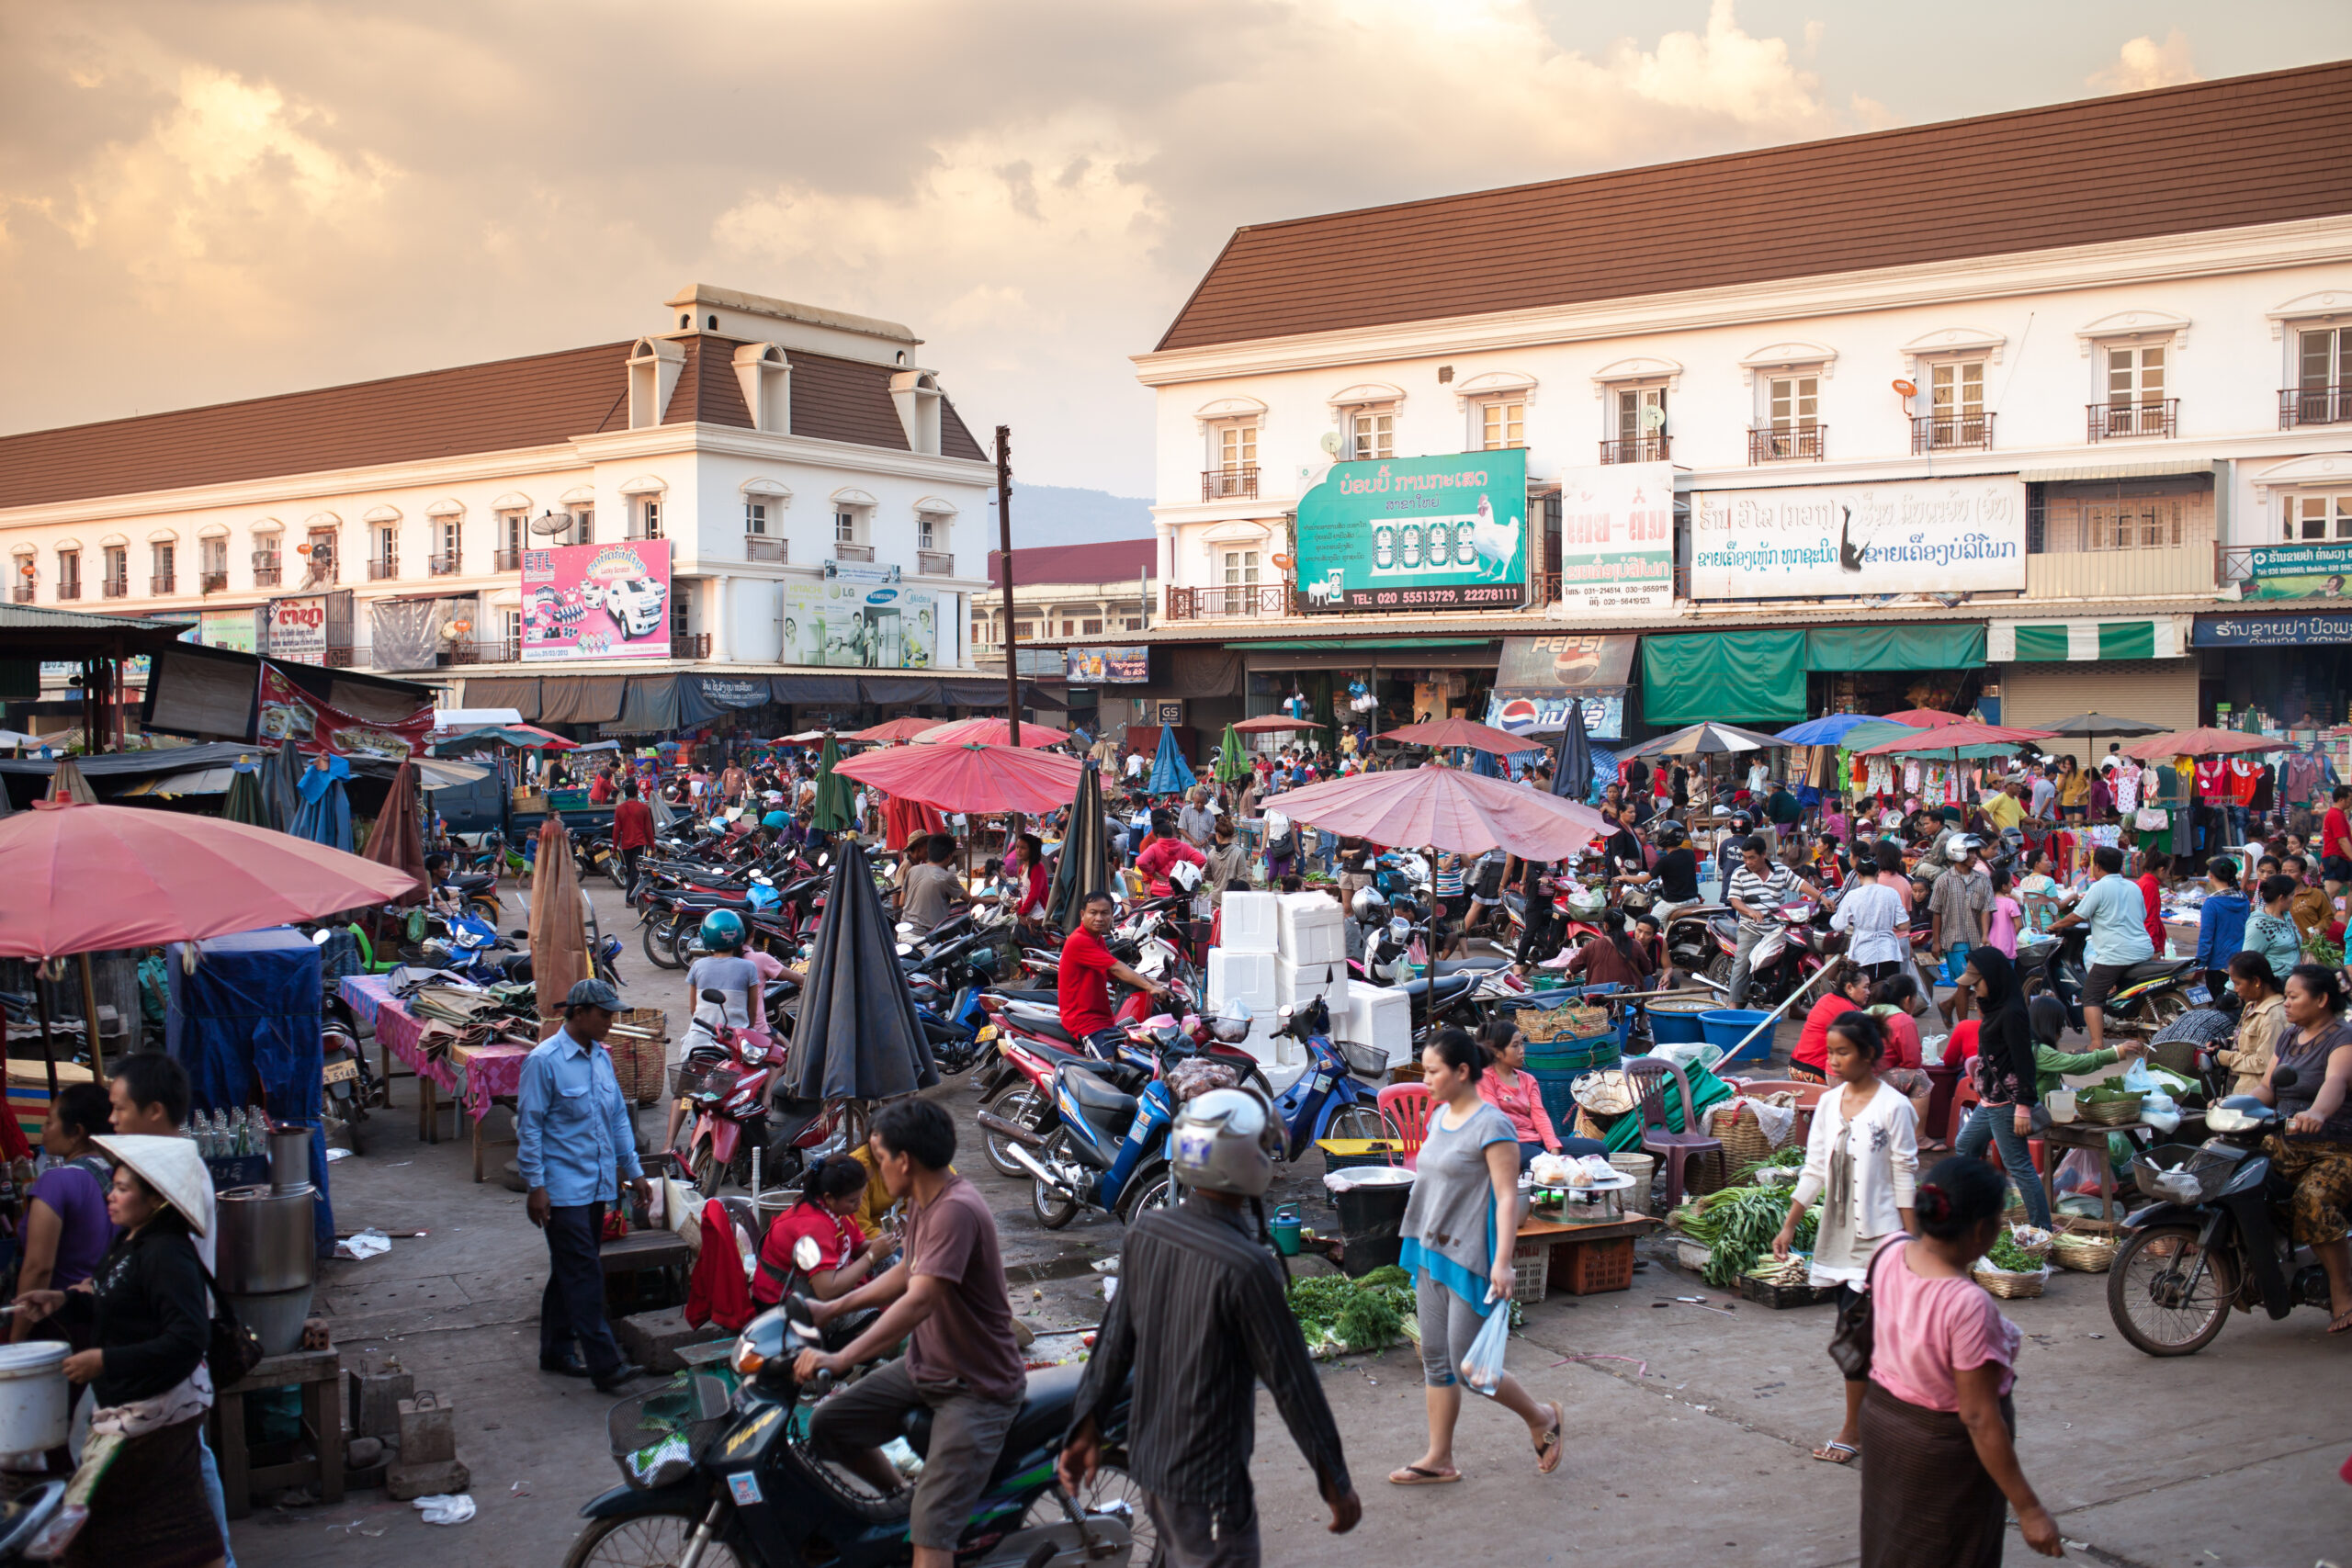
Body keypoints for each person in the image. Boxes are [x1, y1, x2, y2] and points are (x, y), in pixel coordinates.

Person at [1061, 1088, 1359, 1566]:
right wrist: (1335, 1480)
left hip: (1151, 1464)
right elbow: (1293, 1384)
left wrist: (1084, 1429)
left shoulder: (1146, 1233)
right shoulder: (1247, 1266)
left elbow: (1114, 1344)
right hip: (1209, 1483)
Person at [800, 1100, 1027, 1568]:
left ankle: (921, 1520)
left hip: (975, 1385)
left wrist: (840, 1359)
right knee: (830, 1426)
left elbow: (920, 1298)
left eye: (880, 1159)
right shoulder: (924, 1201)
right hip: (930, 1363)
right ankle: (901, 1501)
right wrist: (832, 1307)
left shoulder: (955, 1210)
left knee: (932, 1531)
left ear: (904, 1161)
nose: (877, 1170)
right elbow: (906, 1270)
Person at [14, 1135, 223, 1568]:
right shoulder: (131, 1241)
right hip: (137, 1405)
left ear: (156, 1200)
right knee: (174, 1525)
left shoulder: (167, 1253)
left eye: (123, 1189)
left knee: (92, 1515)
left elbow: (187, 1337)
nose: (111, 1195)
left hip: (159, 1410)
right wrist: (65, 1301)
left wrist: (104, 1361)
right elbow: (121, 1302)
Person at [1856, 1156, 2064, 1564]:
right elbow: (1979, 1417)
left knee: (1894, 1545)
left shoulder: (1890, 1251)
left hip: (1884, 1426)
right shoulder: (1966, 1304)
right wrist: (2029, 1508)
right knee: (1951, 1548)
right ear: (1983, 1230)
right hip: (1940, 1449)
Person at [1391, 1028, 1562, 1485]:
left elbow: (1508, 1198)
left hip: (1471, 1255)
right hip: (1429, 1248)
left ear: (1462, 1071)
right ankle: (1439, 1459)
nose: (1425, 1079)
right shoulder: (1438, 1118)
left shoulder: (1493, 1125)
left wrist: (1503, 1262)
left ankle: (1542, 1416)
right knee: (1435, 1358)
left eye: (1432, 1071)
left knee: (1471, 1367)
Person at [1772, 1010, 1918, 1468]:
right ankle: (1874, 1421)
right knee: (1859, 1334)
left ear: (1870, 1055)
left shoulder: (1895, 1107)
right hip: (1838, 1238)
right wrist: (1791, 1222)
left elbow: (1904, 1175)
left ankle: (1857, 1428)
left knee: (1864, 1335)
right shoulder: (1830, 1103)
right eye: (1830, 1051)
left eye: (1843, 1052)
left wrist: (1912, 1244)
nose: (1832, 1060)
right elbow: (1814, 1168)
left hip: (1882, 1241)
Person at [517, 978, 649, 1392]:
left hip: (596, 1186)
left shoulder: (600, 1058)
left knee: (570, 1269)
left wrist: (633, 1169)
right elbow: (530, 1128)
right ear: (578, 1013)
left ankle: (555, 1350)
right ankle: (605, 1365)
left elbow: (616, 1119)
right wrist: (536, 1186)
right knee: (586, 1275)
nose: (611, 1022)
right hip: (561, 1190)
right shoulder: (544, 1061)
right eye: (605, 1014)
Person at [2247, 964, 2352, 1333]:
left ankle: (2342, 1292)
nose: (2286, 1003)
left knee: (2312, 1199)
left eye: (2293, 997)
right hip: (2287, 1140)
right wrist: (2234, 1107)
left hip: (2337, 1147)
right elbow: (2266, 1089)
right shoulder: (2289, 1037)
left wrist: (2317, 1113)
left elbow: (2335, 1081)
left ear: (2322, 1000)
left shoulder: (2343, 1038)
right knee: (2232, 1173)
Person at [1951, 950, 2050, 1229]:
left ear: (1993, 979)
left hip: (2007, 1101)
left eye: (1977, 982)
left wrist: (2023, 1106)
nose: (1973, 988)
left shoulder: (2011, 1013)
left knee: (2018, 1166)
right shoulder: (1995, 1008)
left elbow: (2024, 1061)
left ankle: (2041, 1232)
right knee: (1966, 1145)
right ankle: (1977, 1213)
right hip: (1990, 1099)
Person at [12, 1083, 117, 1344]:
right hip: (106, 1320)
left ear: (77, 1132)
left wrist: (16, 1341)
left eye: (49, 1123)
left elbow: (38, 1268)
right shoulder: (122, 1177)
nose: (42, 1131)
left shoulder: (56, 1182)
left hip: (59, 1325)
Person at [2048, 845, 2153, 1055]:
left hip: (2117, 953)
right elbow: (2141, 916)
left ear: (2097, 866)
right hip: (2143, 949)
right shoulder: (2133, 887)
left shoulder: (2099, 888)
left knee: (2091, 996)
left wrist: (2055, 925)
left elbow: (2078, 915)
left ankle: (2096, 1044)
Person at [752, 1153, 887, 1307]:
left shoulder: (839, 1210)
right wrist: (871, 1256)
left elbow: (854, 1247)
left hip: (817, 1284)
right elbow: (826, 1290)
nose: (858, 1205)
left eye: (861, 1197)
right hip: (782, 1301)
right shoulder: (814, 1226)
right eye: (853, 1200)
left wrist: (881, 1244)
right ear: (829, 1197)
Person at [1475, 1020, 1604, 1168]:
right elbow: (1495, 1121)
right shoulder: (1485, 1079)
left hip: (1537, 1142)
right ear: (1497, 1052)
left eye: (1521, 1044)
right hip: (1509, 1145)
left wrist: (1553, 1147)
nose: (1522, 1050)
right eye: (1515, 1046)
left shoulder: (1528, 1080)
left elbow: (1539, 1115)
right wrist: (1549, 1158)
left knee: (1598, 1150)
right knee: (1546, 1163)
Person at [1059, 890, 1171, 1056]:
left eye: (1104, 913)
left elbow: (1114, 972)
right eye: (1093, 912)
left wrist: (1156, 984)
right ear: (1082, 915)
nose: (1099, 918)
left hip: (1103, 1019)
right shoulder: (1079, 940)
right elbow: (1116, 967)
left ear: (1112, 915)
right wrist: (1150, 987)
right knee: (1107, 1069)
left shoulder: (1098, 940)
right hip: (1085, 1022)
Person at [1726, 836, 1809, 1010]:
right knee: (1742, 965)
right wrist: (1750, 911)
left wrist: (1822, 898)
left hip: (1777, 929)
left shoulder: (1780, 870)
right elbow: (1735, 900)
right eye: (1745, 857)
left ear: (1764, 854)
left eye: (1752, 857)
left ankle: (1794, 1007)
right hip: (1751, 928)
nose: (1748, 861)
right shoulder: (1740, 873)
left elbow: (1801, 884)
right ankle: (1732, 1007)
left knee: (1791, 961)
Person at [1791, 960, 1872, 1086]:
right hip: (1816, 1073)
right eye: (1865, 987)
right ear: (1850, 987)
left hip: (1794, 1068)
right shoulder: (1851, 1010)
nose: (1868, 993)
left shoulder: (1826, 998)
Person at [2217, 952, 2287, 1096]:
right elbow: (2248, 1044)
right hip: (2239, 1088)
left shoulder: (2273, 1016)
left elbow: (2264, 1063)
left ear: (2256, 981)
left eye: (2238, 983)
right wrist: (2224, 1044)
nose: (2235, 989)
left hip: (2255, 1095)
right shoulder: (2252, 1005)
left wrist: (2224, 1058)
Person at [1831, 866, 1907, 982]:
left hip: (1863, 953)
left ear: (1858, 875)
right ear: (1878, 873)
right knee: (1890, 993)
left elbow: (1838, 925)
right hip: (1889, 951)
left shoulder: (1852, 896)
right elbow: (1903, 925)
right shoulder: (1891, 893)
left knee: (1866, 994)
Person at [1555, 908, 1654, 992]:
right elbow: (1648, 970)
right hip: (1628, 999)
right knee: (1649, 980)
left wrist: (1570, 972)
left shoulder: (1593, 945)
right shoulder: (1636, 945)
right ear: (1623, 924)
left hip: (1597, 1001)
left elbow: (1573, 967)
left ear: (1605, 925)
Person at [2195, 856, 2250, 997]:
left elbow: (2206, 938)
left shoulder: (2212, 903)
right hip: (2240, 961)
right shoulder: (2243, 899)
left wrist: (2200, 964)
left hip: (2218, 964)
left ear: (2210, 876)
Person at [2242, 873, 2303, 984]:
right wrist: (2231, 991)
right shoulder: (2259, 925)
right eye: (2291, 895)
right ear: (2281, 898)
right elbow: (2247, 959)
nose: (2293, 898)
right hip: (2275, 984)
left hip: (2293, 980)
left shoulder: (2286, 915)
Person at [612, 781, 656, 894]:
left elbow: (616, 830)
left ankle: (632, 897)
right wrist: (653, 846)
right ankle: (630, 899)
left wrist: (614, 847)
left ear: (625, 794)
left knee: (631, 871)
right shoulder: (643, 808)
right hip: (640, 843)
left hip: (626, 844)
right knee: (636, 871)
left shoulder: (620, 809)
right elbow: (648, 829)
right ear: (637, 793)